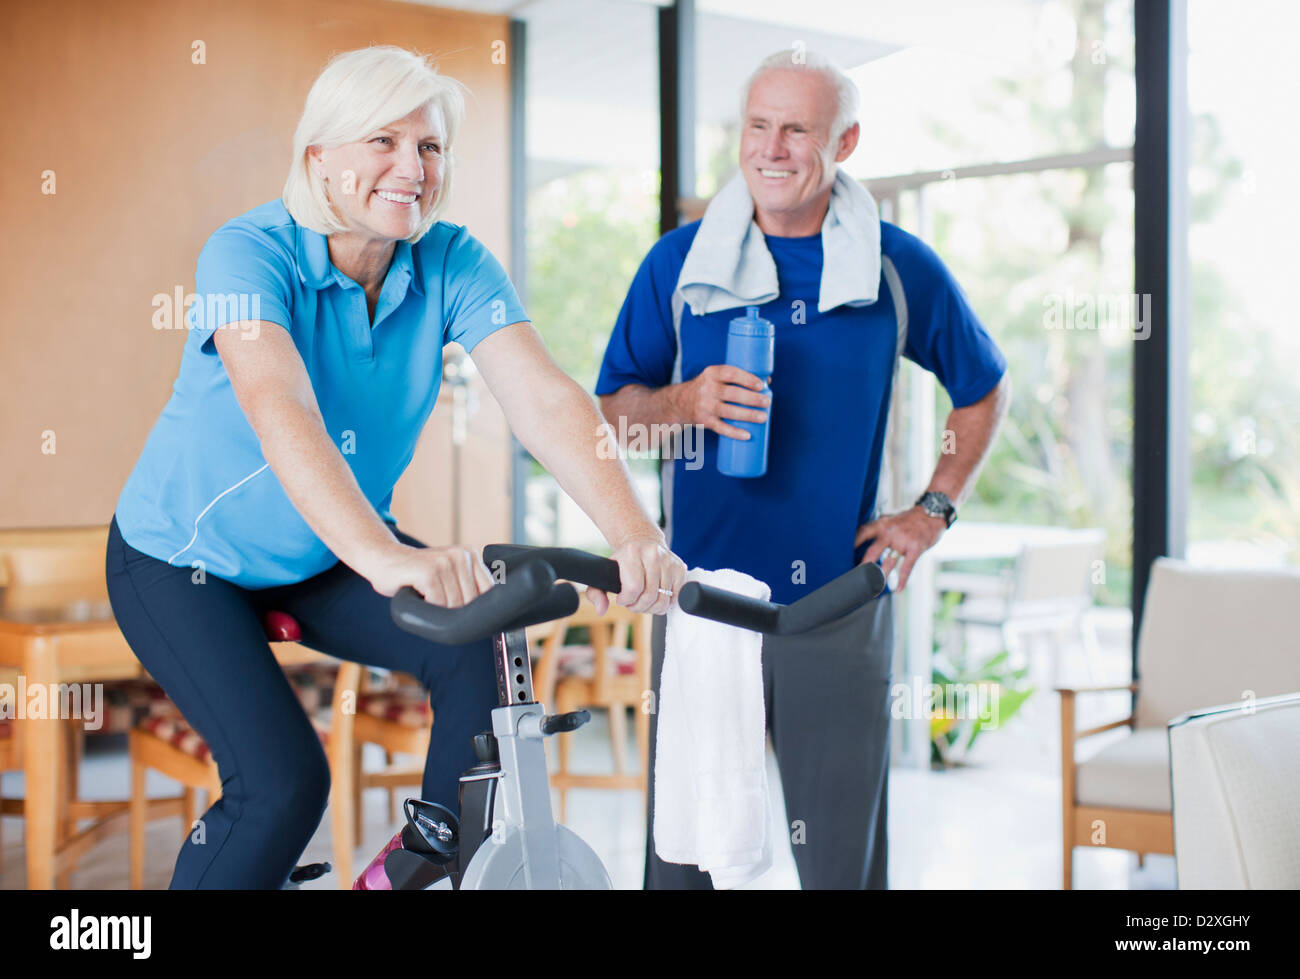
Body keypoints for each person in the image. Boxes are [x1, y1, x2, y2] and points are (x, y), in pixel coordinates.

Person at [106, 45, 685, 890]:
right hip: (182, 561)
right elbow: (280, 405)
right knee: (281, 785)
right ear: (320, 158)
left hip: (322, 553)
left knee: (483, 638)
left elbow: (546, 399)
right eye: (383, 141)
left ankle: (411, 872)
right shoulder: (244, 253)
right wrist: (387, 558)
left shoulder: (452, 260)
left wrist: (631, 530)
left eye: (430, 147)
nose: (411, 167)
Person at [597, 50, 1011, 889]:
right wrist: (684, 404)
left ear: (845, 141)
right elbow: (613, 416)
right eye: (758, 125)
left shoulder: (899, 269)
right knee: (685, 852)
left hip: (838, 597)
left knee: (838, 860)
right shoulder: (676, 265)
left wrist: (931, 511)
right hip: (701, 594)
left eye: (797, 129)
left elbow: (985, 387)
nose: (772, 148)